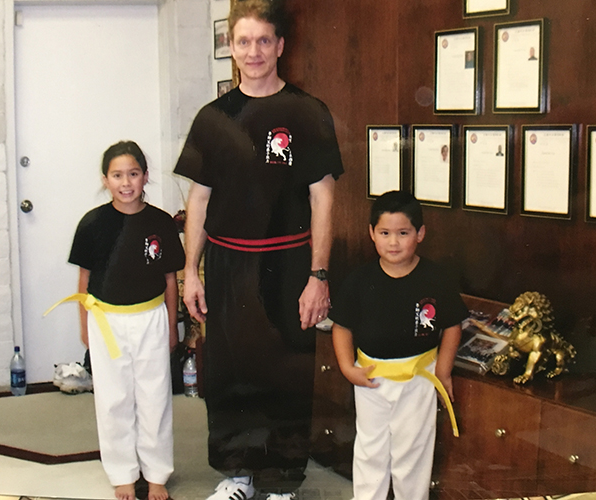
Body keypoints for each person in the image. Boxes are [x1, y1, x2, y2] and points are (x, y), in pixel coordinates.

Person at [173, 1, 344, 499]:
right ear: (231, 46)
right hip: (228, 264)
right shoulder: (213, 118)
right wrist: (192, 270)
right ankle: (238, 475)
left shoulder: (308, 113)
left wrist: (319, 276)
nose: (253, 52)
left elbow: (324, 198)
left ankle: (281, 481)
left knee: (285, 371)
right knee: (231, 372)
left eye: (264, 41)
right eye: (243, 41)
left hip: (289, 263)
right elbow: (198, 199)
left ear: (280, 46)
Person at [48, 141, 185, 500]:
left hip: (152, 318)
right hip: (106, 320)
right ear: (105, 180)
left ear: (146, 177)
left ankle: (157, 474)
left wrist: (172, 326)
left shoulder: (160, 222)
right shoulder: (93, 224)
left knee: (155, 397)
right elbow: (84, 280)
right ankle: (123, 472)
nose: (126, 183)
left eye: (134, 174)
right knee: (114, 399)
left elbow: (171, 279)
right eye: (117, 175)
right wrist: (84, 324)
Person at [328, 191, 467, 500]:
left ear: (420, 234)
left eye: (403, 233)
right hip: (371, 377)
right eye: (385, 233)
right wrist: (348, 368)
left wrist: (443, 373)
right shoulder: (360, 280)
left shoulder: (435, 278)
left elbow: (452, 326)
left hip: (419, 379)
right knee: (370, 451)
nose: (393, 242)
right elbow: (342, 327)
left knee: (412, 453)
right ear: (371, 234)